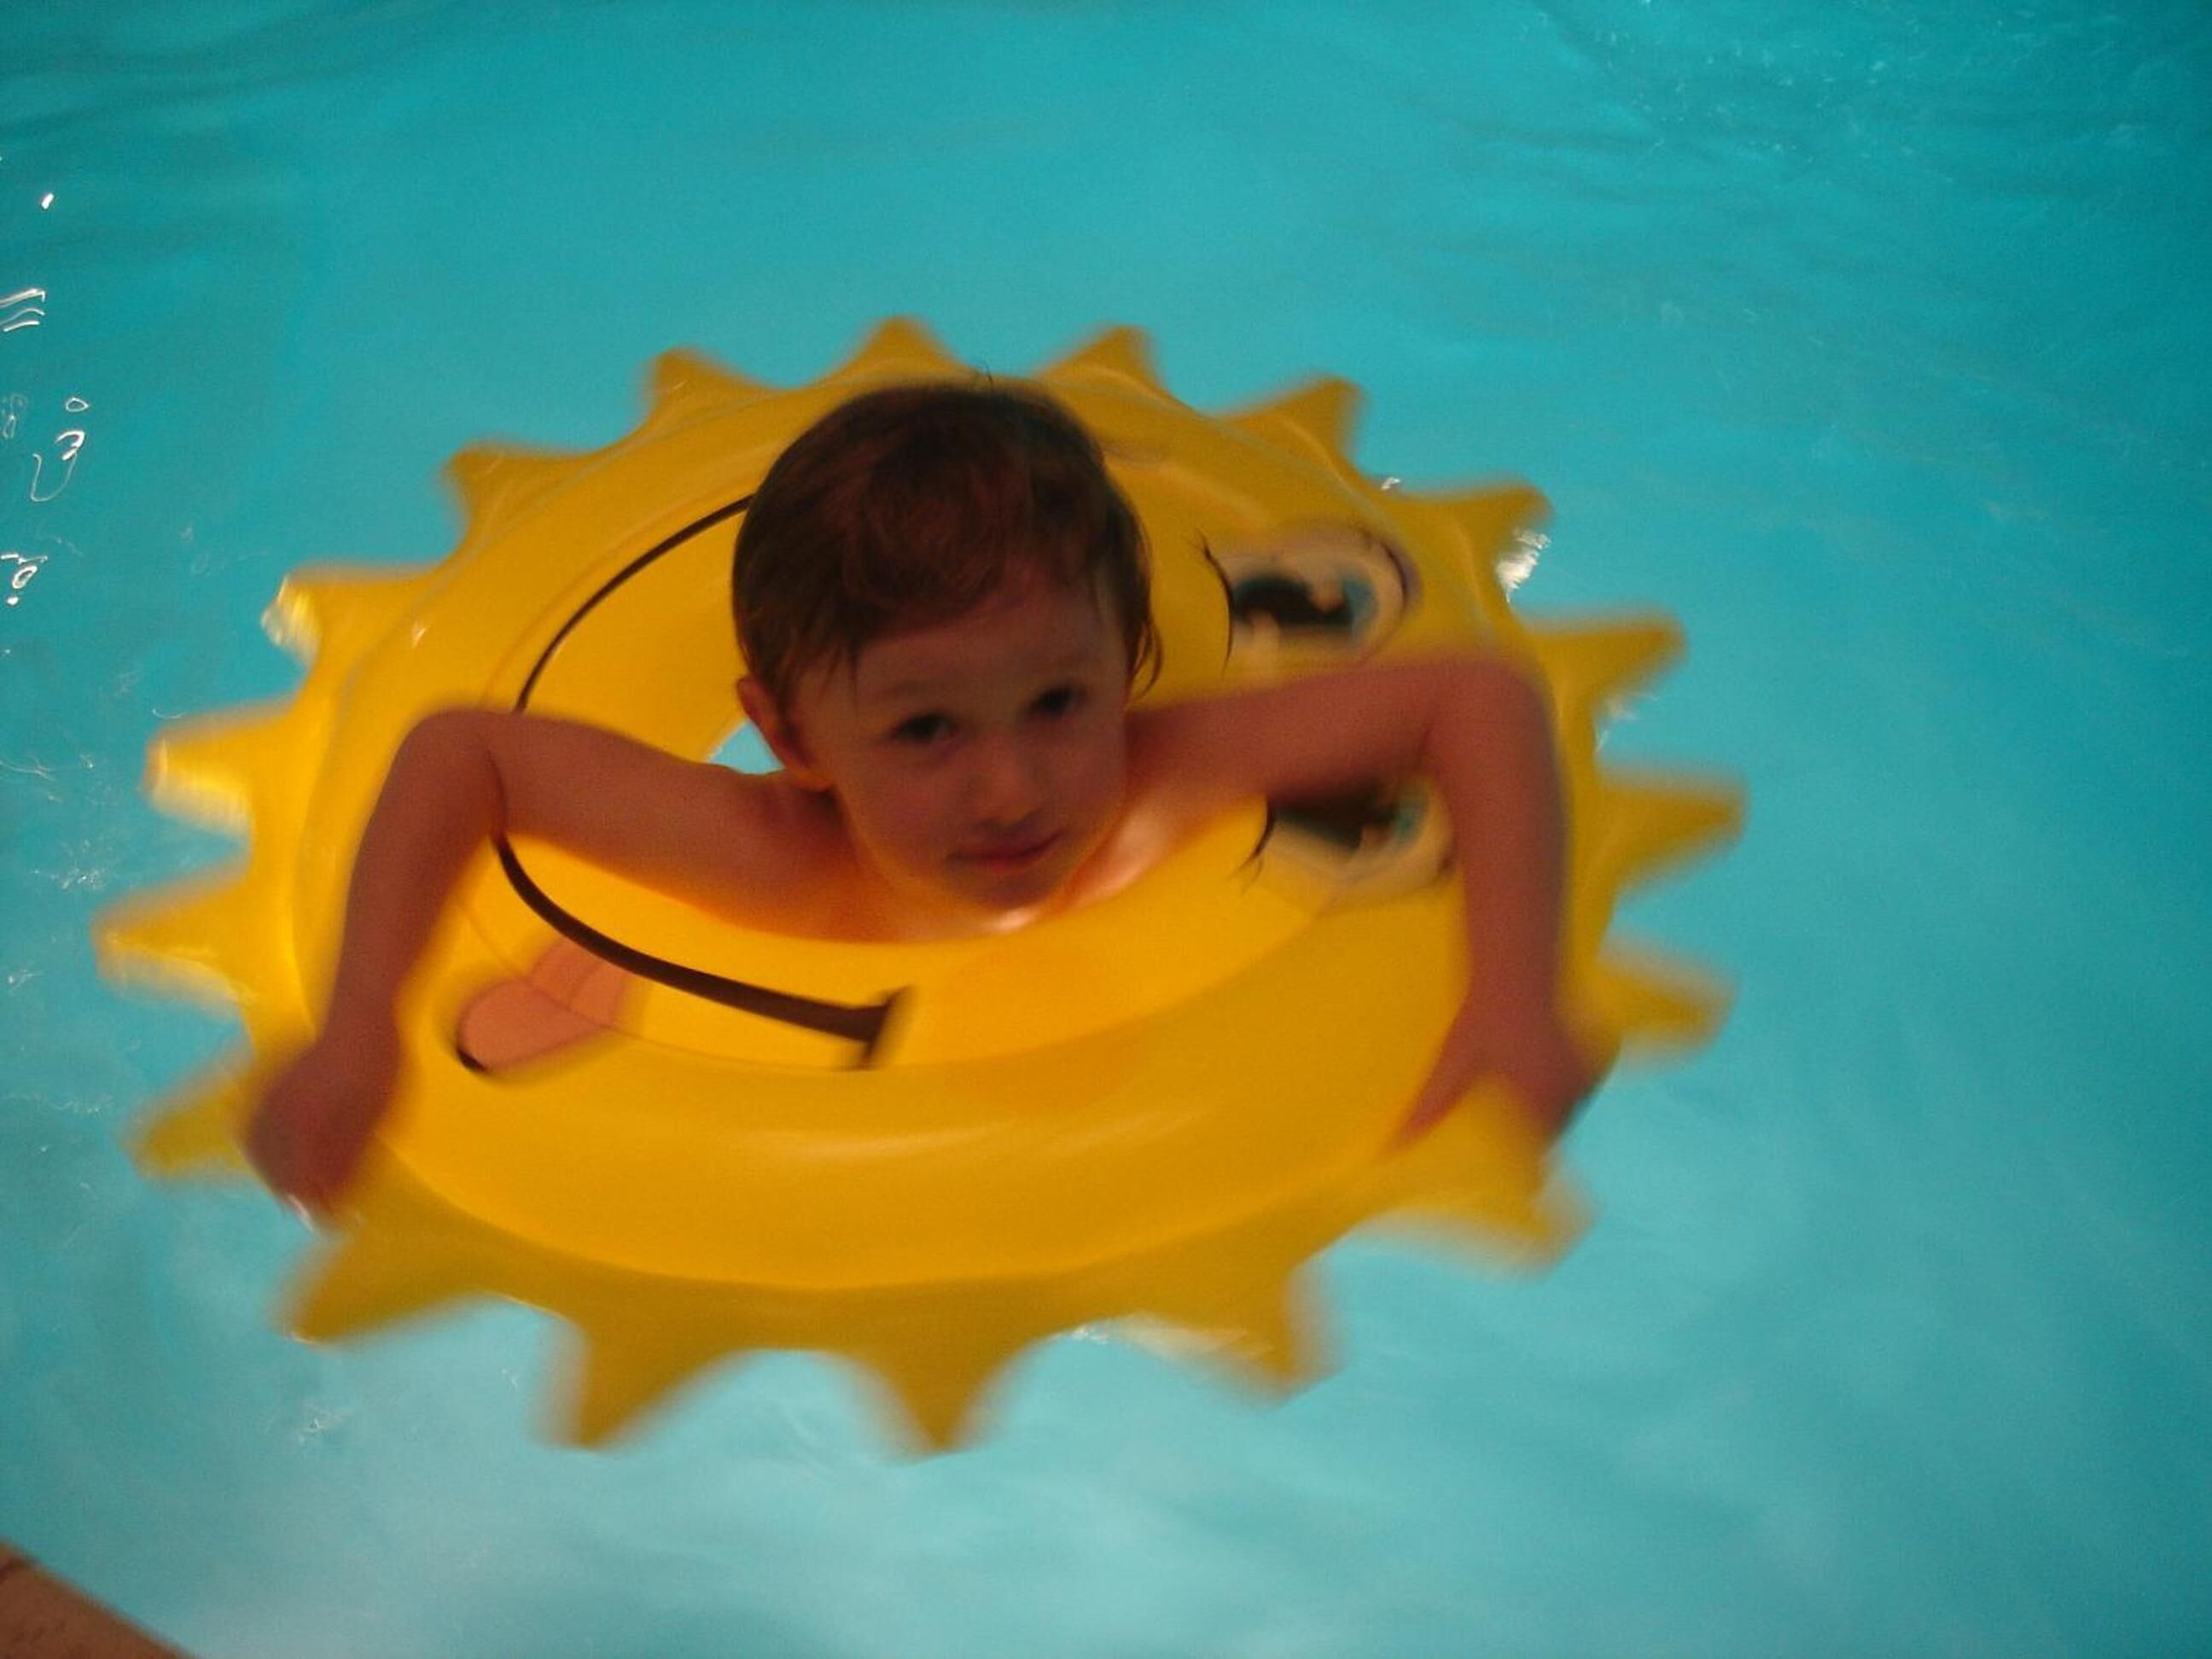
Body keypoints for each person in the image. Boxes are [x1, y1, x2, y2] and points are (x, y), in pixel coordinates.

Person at [247, 381, 1592, 1214]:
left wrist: (1513, 991)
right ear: (785, 731)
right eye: (926, 728)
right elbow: (461, 754)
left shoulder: (1161, 784)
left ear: (1119, 663)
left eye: (1061, 703)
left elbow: (1471, 699)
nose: (1011, 786)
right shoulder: (768, 861)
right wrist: (359, 1026)